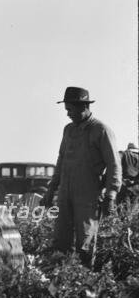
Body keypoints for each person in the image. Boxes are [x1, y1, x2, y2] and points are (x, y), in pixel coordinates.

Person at [41, 87, 121, 263]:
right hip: (65, 194)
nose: (68, 114)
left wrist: (111, 195)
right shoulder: (68, 130)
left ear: (83, 106)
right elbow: (61, 161)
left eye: (70, 109)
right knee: (61, 241)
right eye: (66, 110)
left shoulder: (101, 130)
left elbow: (114, 165)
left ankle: (84, 282)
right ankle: (61, 281)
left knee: (85, 242)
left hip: (88, 196)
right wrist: (51, 190)